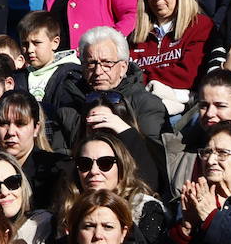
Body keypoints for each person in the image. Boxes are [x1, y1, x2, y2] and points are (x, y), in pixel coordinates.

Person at [47, 26, 169, 154]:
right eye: (91, 63)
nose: (98, 71)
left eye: (107, 63)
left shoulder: (146, 104)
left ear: (123, 67)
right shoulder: (69, 107)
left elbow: (153, 157)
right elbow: (59, 158)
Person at [129, 0, 213, 116]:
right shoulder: (135, 33)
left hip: (184, 113)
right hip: (139, 109)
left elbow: (188, 75)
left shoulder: (200, 25)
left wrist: (145, 79)